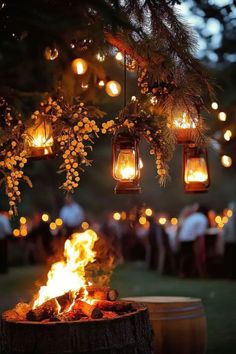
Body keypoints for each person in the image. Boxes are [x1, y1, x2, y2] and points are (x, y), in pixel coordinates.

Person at [178, 205, 209, 277]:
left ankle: (184, 273)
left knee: (186, 256)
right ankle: (192, 273)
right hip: (189, 239)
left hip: (183, 238)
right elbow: (200, 235)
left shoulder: (193, 217)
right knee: (189, 256)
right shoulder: (202, 218)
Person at [222, 202, 236, 279]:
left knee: (230, 259)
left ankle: (230, 275)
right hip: (230, 242)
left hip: (230, 242)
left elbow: (225, 232)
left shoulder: (229, 220)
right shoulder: (230, 220)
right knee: (231, 259)